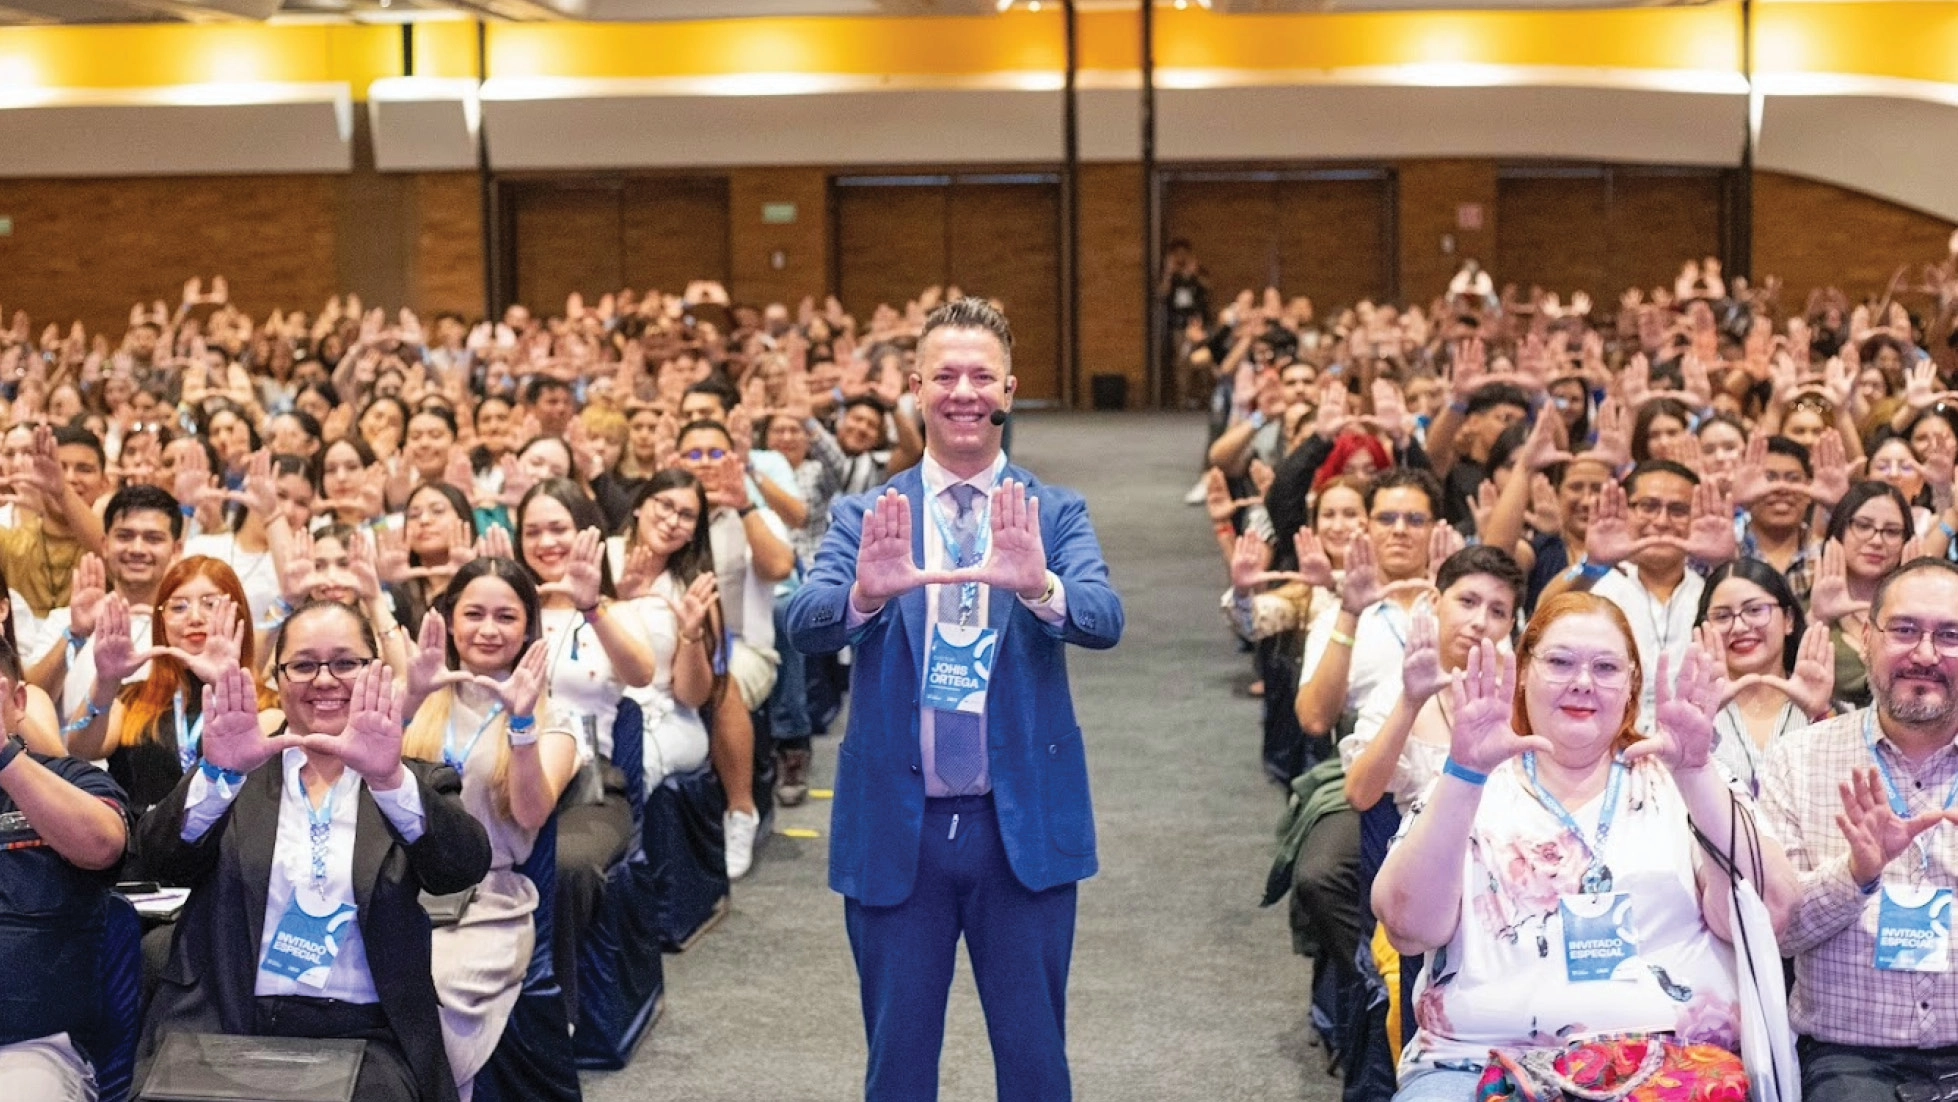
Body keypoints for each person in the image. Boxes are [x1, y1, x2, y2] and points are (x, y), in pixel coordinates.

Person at [785, 298, 1124, 1100]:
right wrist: (864, 596)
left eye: (981, 375)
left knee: (1037, 1065)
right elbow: (804, 622)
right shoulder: (869, 514)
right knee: (897, 1070)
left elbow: (1104, 617)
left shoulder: (1054, 511)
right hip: (898, 828)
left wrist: (1039, 584)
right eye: (945, 375)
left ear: (1009, 388)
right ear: (914, 387)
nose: (963, 391)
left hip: (1022, 826)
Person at [1374, 593, 1799, 1100]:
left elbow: (1770, 911)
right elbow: (1408, 928)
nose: (1582, 682)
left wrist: (1696, 771)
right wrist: (1464, 773)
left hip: (1670, 1067)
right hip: (1478, 1061)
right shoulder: (1474, 778)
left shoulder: (1679, 778)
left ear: (1632, 684)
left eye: (1605, 667)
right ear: (1524, 671)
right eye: (1560, 662)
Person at [134, 600, 492, 1102]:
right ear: (276, 677)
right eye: (303, 664)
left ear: (377, 672)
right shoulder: (237, 771)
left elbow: (460, 869)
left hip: (365, 1031)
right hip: (227, 1020)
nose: (325, 680)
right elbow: (158, 860)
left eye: (346, 663)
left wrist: (388, 779)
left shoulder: (410, 779)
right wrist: (219, 777)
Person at [1761, 557, 1958, 1101]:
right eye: (1904, 630)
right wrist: (1856, 873)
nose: (1924, 653)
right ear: (1866, 638)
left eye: (1949, 635)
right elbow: (1781, 933)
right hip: (1849, 1058)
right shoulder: (1796, 760)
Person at [398, 557, 578, 1102]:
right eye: (473, 614)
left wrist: (521, 727)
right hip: (398, 887)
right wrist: (407, 698)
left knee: (433, 985)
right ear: (450, 621)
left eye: (506, 616)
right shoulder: (423, 696)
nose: (488, 630)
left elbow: (531, 815)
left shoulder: (553, 716)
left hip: (488, 902)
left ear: (528, 628)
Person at [0, 655, 129, 1100]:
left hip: (27, 1052)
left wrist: (4, 757)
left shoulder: (72, 780)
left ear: (17, 701)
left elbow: (103, 846)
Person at [1692, 559, 1832, 795]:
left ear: (1788, 620)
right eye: (1723, 616)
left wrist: (1819, 713)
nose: (1738, 627)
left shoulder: (1827, 710)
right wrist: (1699, 719)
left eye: (1755, 610)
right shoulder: (1696, 713)